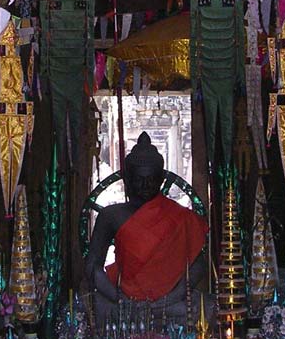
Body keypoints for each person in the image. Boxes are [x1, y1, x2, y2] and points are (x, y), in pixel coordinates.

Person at [85, 132, 208, 317]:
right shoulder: (111, 215)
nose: (145, 185)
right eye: (139, 179)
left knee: (203, 307)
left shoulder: (180, 216)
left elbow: (198, 265)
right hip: (124, 302)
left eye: (151, 179)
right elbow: (93, 266)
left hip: (171, 303)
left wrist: (173, 297)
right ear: (128, 180)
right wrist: (120, 298)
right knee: (95, 307)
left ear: (161, 180)